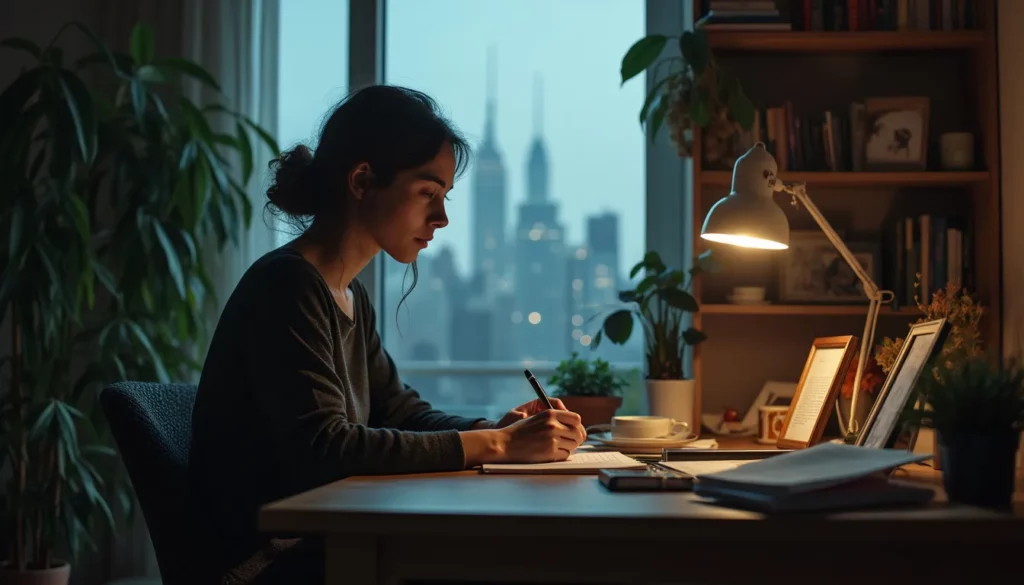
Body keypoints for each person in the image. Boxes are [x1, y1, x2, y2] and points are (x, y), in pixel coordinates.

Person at [186, 85, 588, 585]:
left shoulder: (348, 294)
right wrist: (498, 446)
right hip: (268, 564)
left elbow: (400, 413)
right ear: (361, 180)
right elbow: (323, 450)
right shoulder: (286, 286)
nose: (441, 218)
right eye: (428, 193)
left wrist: (497, 427)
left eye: (443, 198)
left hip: (323, 544)